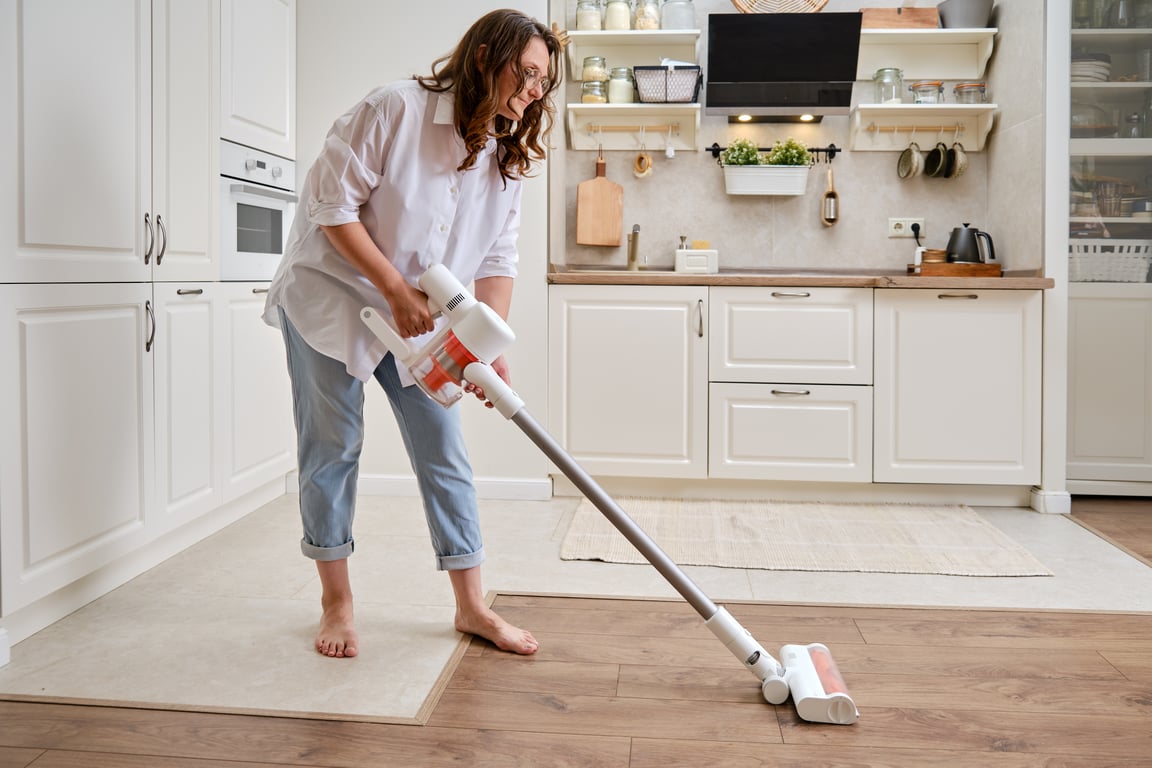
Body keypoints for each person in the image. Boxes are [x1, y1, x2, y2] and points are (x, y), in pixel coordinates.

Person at [262, 9, 561, 659]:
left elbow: (497, 258)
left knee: (443, 449)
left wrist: (485, 347)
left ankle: (472, 607)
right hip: (331, 300)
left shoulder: (504, 153)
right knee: (333, 446)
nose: (536, 90)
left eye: (544, 81)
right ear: (484, 57)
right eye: (527, 72)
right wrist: (394, 290)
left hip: (421, 318)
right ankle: (336, 603)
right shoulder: (393, 109)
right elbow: (332, 208)